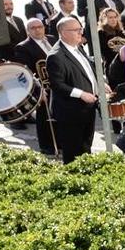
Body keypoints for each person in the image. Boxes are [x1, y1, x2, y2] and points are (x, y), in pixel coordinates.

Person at [46, 16, 100, 163]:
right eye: (76, 30)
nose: (80, 33)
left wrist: (99, 83)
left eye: (80, 29)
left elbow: (87, 69)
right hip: (71, 111)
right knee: (73, 151)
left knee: (86, 147)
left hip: (87, 107)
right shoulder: (55, 56)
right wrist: (81, 94)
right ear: (63, 33)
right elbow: (58, 85)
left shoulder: (78, 47)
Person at [14, 17, 58, 156]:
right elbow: (26, 72)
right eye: (33, 28)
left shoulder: (52, 39)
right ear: (27, 31)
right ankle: (47, 146)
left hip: (59, 84)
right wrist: (38, 91)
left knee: (60, 115)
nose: (37, 30)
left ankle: (61, 142)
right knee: (45, 118)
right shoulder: (23, 47)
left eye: (39, 27)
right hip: (42, 87)